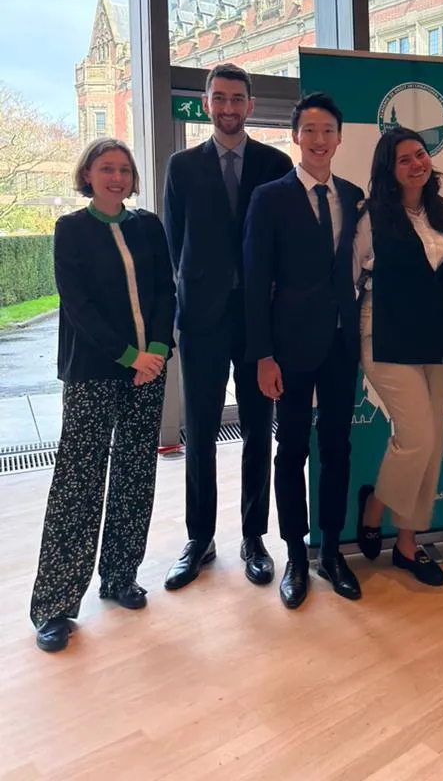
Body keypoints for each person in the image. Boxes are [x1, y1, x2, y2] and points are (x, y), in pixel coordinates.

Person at [30, 139, 175, 653]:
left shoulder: (148, 226)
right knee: (79, 482)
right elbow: (78, 306)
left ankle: (120, 576)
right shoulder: (70, 229)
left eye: (124, 169)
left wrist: (154, 352)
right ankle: (54, 604)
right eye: (106, 168)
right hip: (95, 371)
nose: (117, 176)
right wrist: (129, 357)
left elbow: (165, 291)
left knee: (136, 473)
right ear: (87, 174)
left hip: (149, 370)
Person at [163, 63, 292, 592]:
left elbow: (283, 246)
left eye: (238, 98)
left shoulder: (275, 163)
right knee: (200, 431)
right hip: (203, 320)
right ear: (207, 103)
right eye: (220, 98)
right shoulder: (182, 166)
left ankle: (254, 537)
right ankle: (200, 538)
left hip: (260, 321)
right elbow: (175, 243)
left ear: (251, 105)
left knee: (260, 427)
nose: (229, 107)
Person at [243, 93, 364, 610]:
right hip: (289, 348)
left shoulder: (355, 196)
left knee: (338, 449)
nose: (319, 140)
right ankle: (296, 553)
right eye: (309, 130)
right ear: (296, 137)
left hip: (342, 345)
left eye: (328, 130)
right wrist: (262, 355)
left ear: (339, 138)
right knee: (291, 450)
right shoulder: (270, 198)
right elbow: (254, 281)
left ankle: (332, 549)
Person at [355, 127, 443, 587]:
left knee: (432, 445)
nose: (417, 164)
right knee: (416, 437)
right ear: (388, 170)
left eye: (420, 155)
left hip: (436, 338)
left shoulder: (439, 211)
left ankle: (409, 544)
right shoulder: (370, 215)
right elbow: (352, 276)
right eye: (404, 159)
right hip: (386, 336)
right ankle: (375, 506)